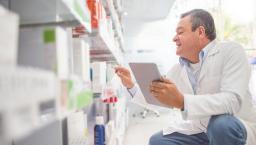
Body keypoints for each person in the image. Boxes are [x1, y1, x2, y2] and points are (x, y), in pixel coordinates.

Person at [115, 9, 256, 145]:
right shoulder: (179, 69)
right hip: (201, 130)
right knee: (158, 141)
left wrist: (183, 102)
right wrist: (130, 85)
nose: (174, 38)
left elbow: (232, 101)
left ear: (200, 32)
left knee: (221, 125)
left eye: (180, 32)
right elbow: (156, 98)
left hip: (234, 126)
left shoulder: (231, 51)